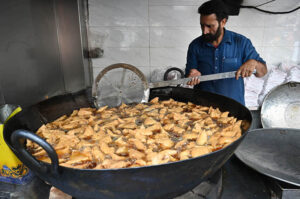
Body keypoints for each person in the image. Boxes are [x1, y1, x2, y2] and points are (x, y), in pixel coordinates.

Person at [185, 0, 267, 105]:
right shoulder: (195, 45)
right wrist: (192, 74)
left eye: (210, 26)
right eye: (202, 25)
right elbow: (188, 76)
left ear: (223, 22)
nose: (204, 31)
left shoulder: (241, 42)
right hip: (202, 108)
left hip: (234, 108)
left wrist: (254, 63)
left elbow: (263, 72)